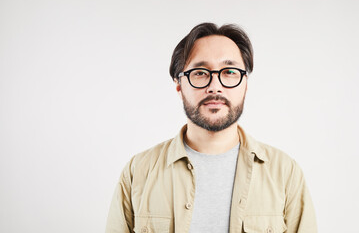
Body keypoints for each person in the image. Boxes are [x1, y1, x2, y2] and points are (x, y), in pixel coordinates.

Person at [105, 22, 317, 233]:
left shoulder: (284, 173)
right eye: (200, 73)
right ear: (179, 85)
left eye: (230, 72)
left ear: (245, 84)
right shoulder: (138, 172)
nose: (215, 86)